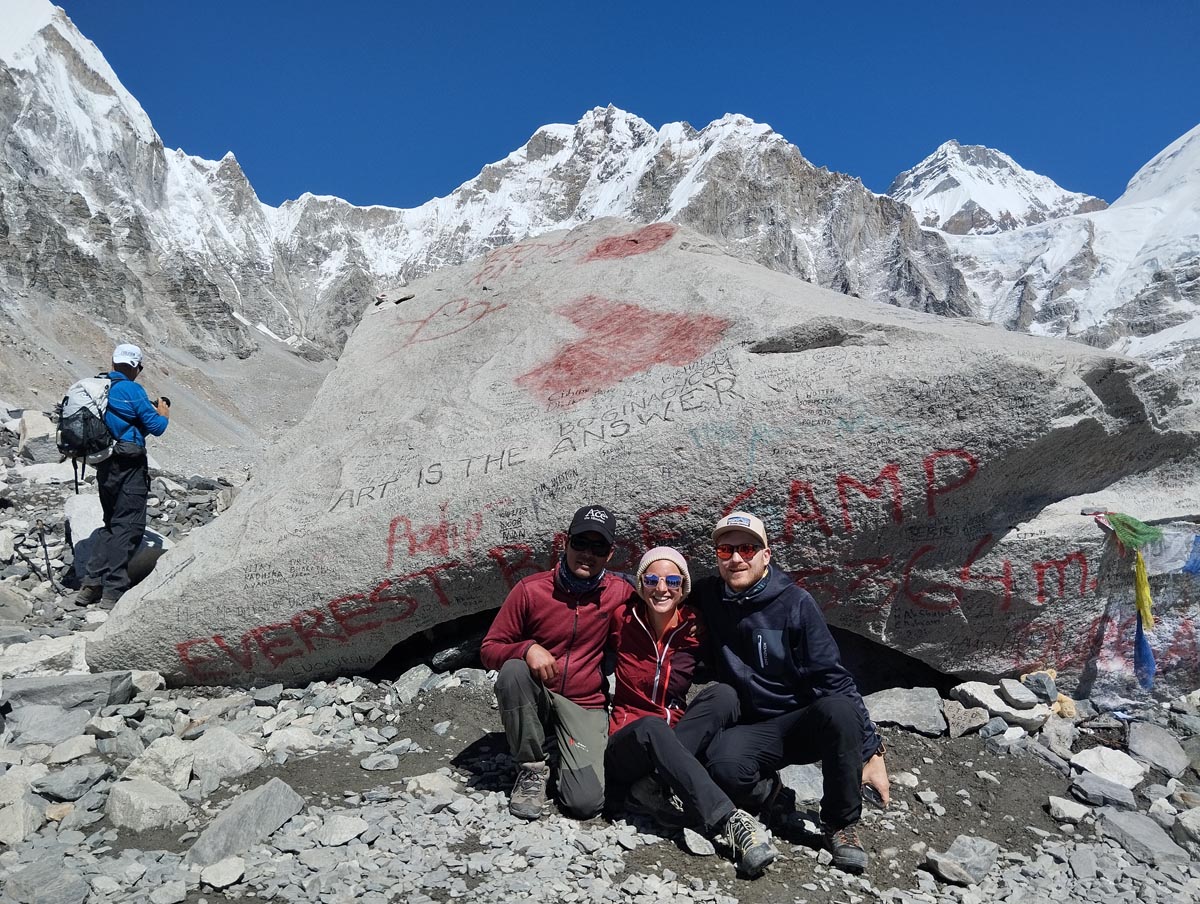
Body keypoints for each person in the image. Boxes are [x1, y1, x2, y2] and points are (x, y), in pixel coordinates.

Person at [690, 511, 889, 874]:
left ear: (767, 555)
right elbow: (653, 586)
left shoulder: (796, 603)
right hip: (752, 726)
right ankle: (773, 794)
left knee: (839, 709)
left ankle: (840, 823)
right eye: (726, 550)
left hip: (801, 722)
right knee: (722, 768)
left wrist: (872, 751)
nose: (736, 558)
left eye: (748, 548)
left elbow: (836, 678)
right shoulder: (707, 595)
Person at [605, 546, 777, 877]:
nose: (662, 588)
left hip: (674, 739)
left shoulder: (695, 628)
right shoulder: (621, 620)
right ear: (641, 585)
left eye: (672, 580)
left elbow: (733, 662)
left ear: (683, 588)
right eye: (652, 579)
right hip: (626, 744)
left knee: (724, 694)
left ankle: (654, 786)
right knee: (652, 727)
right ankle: (731, 821)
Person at [480, 504, 629, 821]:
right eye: (580, 543)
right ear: (565, 542)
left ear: (610, 553)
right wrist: (527, 648)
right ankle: (532, 768)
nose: (587, 554)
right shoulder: (530, 590)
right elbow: (489, 649)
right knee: (513, 671)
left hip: (584, 704)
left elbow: (664, 590)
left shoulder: (621, 592)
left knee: (584, 803)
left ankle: (564, 745)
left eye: (597, 547)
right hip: (540, 698)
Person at [74, 343, 169, 606]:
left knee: (111, 523)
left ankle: (90, 585)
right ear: (137, 367)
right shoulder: (132, 389)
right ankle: (114, 590)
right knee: (129, 525)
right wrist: (163, 413)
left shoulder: (98, 389)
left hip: (104, 463)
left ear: (114, 363)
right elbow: (157, 427)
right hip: (130, 465)